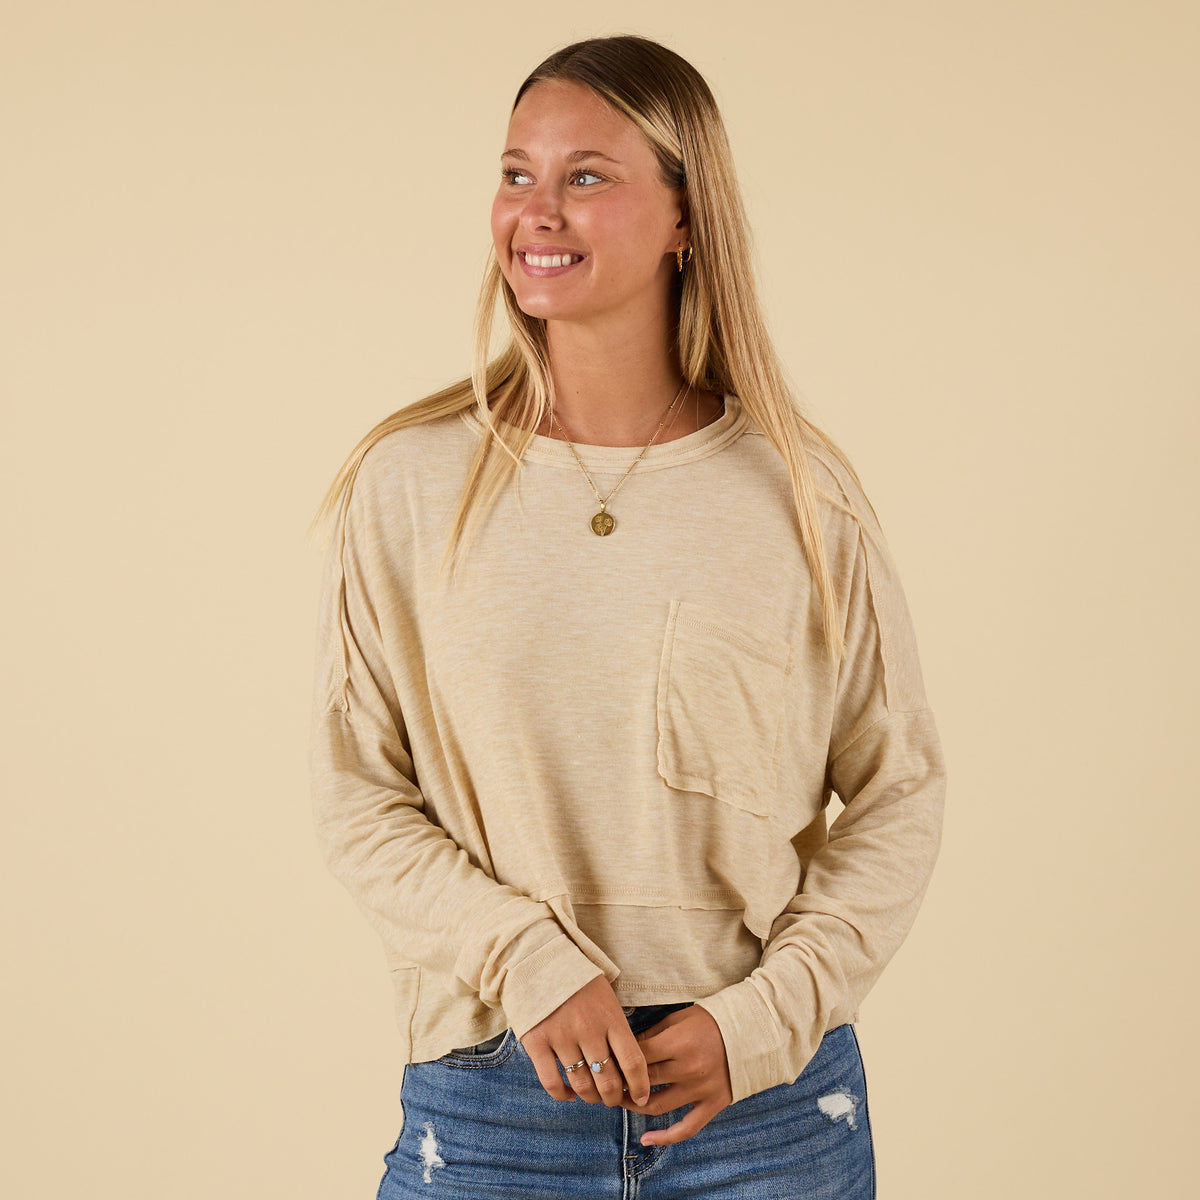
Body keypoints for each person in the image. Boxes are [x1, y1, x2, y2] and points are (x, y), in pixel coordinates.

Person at [311, 34, 945, 1199]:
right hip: (497, 1094)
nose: (536, 212)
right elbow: (358, 793)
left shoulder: (800, 495)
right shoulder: (407, 485)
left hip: (769, 1115)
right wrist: (527, 962)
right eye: (516, 174)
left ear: (684, 218)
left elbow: (899, 792)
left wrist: (764, 1017)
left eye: (586, 176)